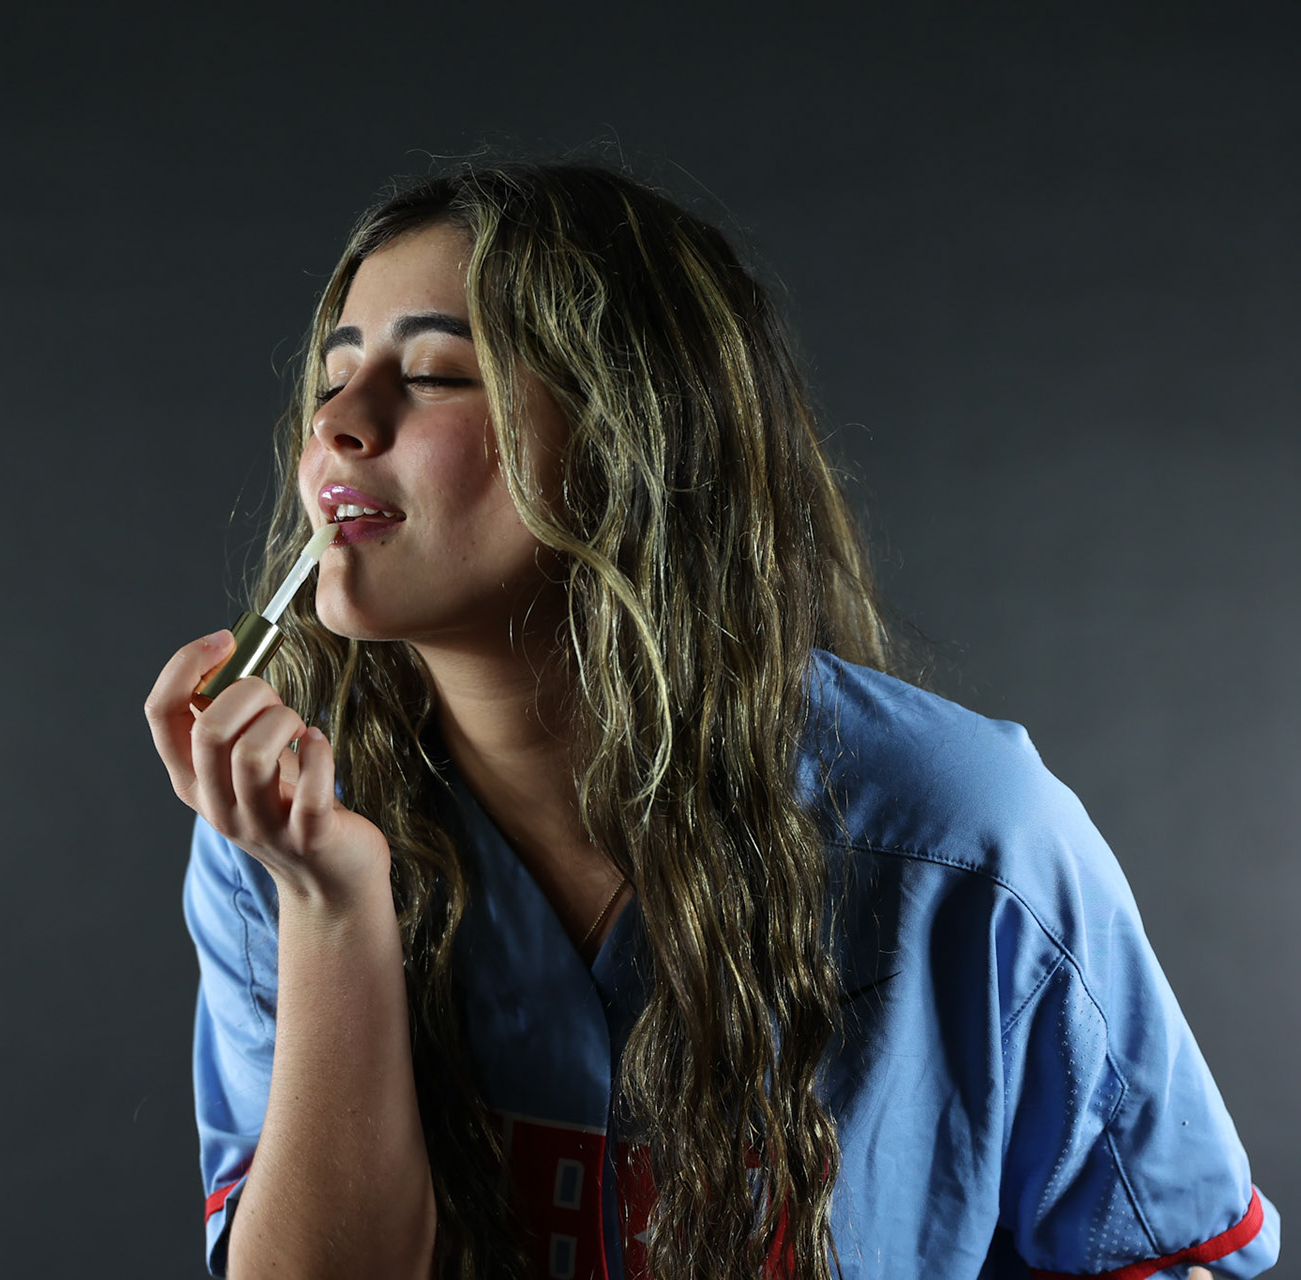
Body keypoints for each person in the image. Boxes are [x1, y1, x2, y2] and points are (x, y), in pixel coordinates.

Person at [143, 162, 1279, 1280]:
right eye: (331, 379)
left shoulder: (959, 836)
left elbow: (1172, 1258)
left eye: (436, 372)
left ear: (629, 439)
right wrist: (328, 902)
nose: (340, 421)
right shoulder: (291, 821)